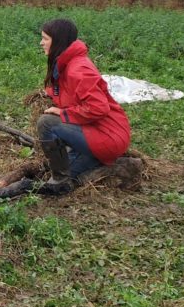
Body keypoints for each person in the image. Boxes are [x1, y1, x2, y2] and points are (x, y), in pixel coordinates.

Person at [36, 18, 131, 193]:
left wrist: (63, 113)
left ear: (58, 41)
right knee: (69, 169)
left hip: (108, 134)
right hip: (98, 131)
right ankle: (90, 161)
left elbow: (98, 108)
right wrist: (48, 93)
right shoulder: (67, 63)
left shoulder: (78, 69)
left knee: (47, 122)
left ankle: (59, 179)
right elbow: (69, 91)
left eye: (45, 38)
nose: (41, 43)